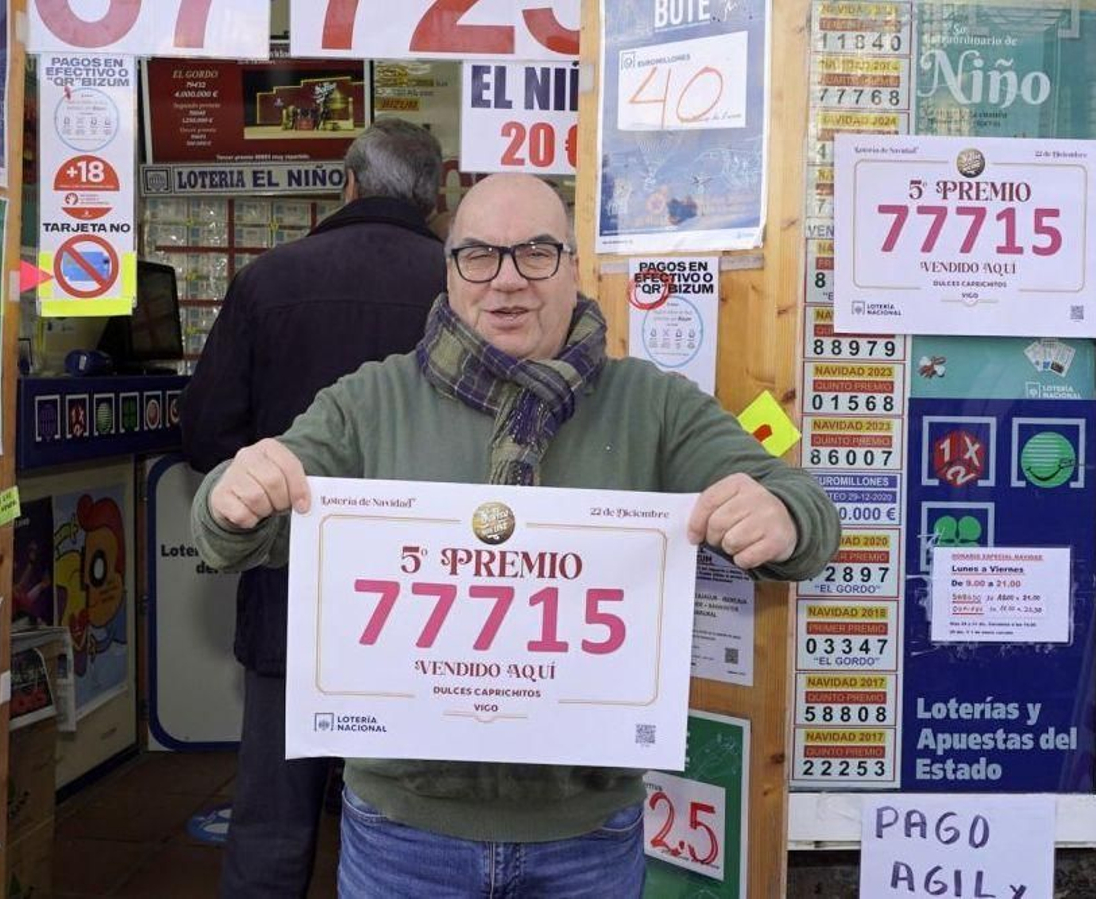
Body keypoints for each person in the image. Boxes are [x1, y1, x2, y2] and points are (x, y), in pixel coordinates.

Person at [191, 174, 840, 896]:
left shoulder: (651, 405)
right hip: (403, 835)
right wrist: (233, 494)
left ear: (572, 267)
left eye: (534, 253)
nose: (506, 281)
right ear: (450, 271)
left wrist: (781, 516)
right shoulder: (370, 401)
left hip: (586, 839)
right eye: (479, 256)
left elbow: (807, 510)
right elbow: (232, 536)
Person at [179, 116, 448, 898]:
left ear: (349, 182)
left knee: (272, 820)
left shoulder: (269, 279)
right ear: (437, 197)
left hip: (291, 587)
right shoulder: (466, 289)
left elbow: (206, 434)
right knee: (426, 825)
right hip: (435, 605)